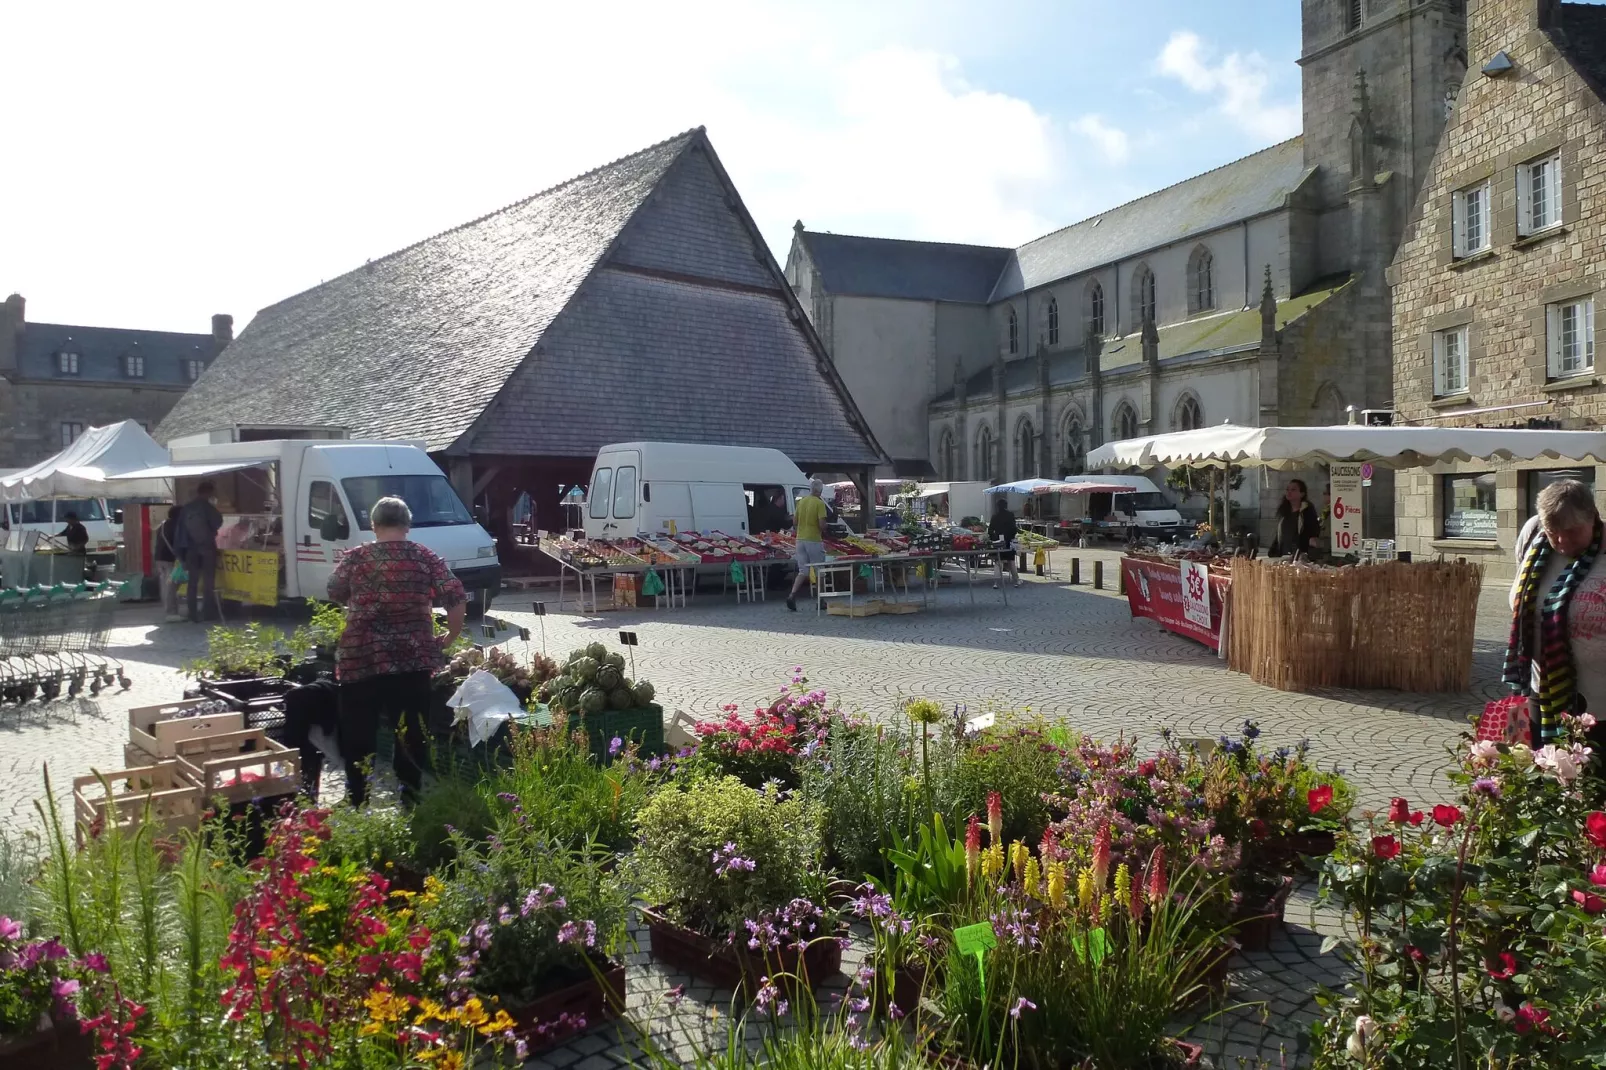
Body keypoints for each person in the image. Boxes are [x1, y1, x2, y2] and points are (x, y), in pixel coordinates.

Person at [327, 495, 466, 805]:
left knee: (358, 736)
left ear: (374, 525)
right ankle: (410, 801)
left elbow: (335, 590)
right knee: (411, 736)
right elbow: (455, 595)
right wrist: (450, 636)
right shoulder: (424, 556)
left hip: (360, 659)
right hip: (411, 660)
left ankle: (358, 800)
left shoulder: (356, 557)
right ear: (407, 525)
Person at [1505, 480, 1606, 759]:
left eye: (1573, 532)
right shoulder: (1532, 536)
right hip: (1544, 693)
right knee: (1548, 782)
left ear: (1593, 517)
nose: (1561, 542)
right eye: (1554, 533)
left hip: (1600, 702)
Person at [176, 481, 223, 622]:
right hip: (207, 548)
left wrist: (181, 554)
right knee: (209, 582)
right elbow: (218, 522)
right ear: (209, 492)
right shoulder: (208, 507)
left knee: (193, 583)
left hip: (191, 549)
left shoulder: (186, 508)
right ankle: (208, 613)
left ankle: (192, 613)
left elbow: (180, 532)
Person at [786, 479, 829, 612]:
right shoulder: (819, 503)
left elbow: (794, 521)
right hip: (813, 540)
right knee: (819, 571)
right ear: (820, 490)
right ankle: (820, 600)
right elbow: (821, 525)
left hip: (800, 539)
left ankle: (792, 595)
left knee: (803, 571)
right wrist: (826, 528)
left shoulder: (801, 502)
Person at [1270, 479, 1321, 559]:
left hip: (1300, 557)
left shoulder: (1307, 513)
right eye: (1287, 489)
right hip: (1283, 557)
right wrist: (1273, 552)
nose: (1289, 492)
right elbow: (1280, 535)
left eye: (1293, 489)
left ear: (1302, 494)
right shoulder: (1284, 512)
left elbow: (1311, 534)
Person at [153, 505, 182, 622]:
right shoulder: (177, 526)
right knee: (171, 586)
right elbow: (178, 542)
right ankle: (171, 612)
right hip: (170, 559)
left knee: (165, 585)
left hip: (160, 558)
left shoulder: (163, 525)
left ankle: (168, 609)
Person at [988, 497, 1020, 588]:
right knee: (1011, 561)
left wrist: (994, 539)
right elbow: (1014, 528)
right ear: (1006, 506)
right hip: (1009, 541)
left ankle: (996, 582)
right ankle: (1016, 580)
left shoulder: (995, 516)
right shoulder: (1010, 515)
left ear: (997, 506)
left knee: (998, 561)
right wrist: (1012, 537)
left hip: (999, 541)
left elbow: (990, 530)